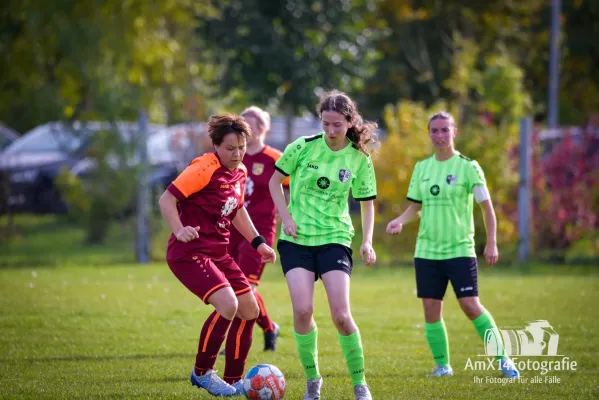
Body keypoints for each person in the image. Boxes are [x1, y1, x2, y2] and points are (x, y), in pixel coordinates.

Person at [385, 111, 520, 378]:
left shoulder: (469, 167)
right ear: (429, 134)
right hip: (427, 251)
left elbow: (487, 209)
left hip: (459, 249)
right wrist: (400, 220)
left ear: (454, 133)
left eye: (444, 130)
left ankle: (503, 360)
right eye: (434, 131)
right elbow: (416, 206)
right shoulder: (422, 168)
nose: (439, 135)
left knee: (470, 304)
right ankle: (442, 366)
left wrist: (491, 243)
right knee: (430, 309)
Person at [269, 90, 377, 400]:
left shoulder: (358, 158)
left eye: (337, 125)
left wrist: (368, 241)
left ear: (349, 122)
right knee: (302, 311)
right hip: (297, 241)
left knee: (341, 316)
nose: (330, 131)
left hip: (335, 239)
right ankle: (313, 381)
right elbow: (273, 182)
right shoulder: (301, 148)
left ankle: (360, 384)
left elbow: (367, 204)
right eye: (325, 124)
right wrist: (286, 217)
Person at [158, 113, 277, 397]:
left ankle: (234, 379)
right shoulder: (203, 167)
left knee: (250, 309)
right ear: (216, 145)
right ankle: (202, 373)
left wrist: (258, 241)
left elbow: (236, 210)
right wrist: (179, 228)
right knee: (228, 304)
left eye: (241, 147)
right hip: (189, 252)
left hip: (218, 253)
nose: (237, 154)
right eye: (230, 148)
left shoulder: (240, 171)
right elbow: (167, 199)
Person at [224, 106, 289, 353]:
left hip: (260, 231)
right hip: (230, 229)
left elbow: (294, 187)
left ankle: (236, 342)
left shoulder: (275, 158)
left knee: (244, 288)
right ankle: (269, 327)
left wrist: (289, 215)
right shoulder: (232, 156)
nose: (244, 130)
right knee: (231, 287)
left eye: (249, 125)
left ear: (262, 128)